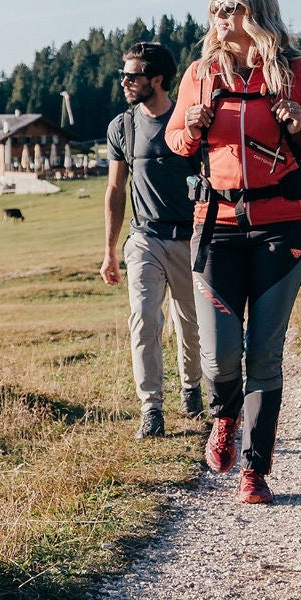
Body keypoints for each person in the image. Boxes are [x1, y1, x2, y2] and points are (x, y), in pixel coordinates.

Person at [166, 0, 301, 505]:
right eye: (214, 9)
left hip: (280, 229)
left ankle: (255, 471)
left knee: (264, 354)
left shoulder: (294, 73)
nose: (219, 18)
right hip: (217, 229)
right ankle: (224, 417)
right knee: (222, 356)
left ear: (258, 13)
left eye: (230, 8)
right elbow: (177, 142)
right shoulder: (199, 76)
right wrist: (193, 129)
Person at [101, 41, 204, 439]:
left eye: (133, 75)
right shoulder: (121, 128)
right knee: (143, 319)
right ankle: (152, 408)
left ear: (157, 79)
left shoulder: (189, 119)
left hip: (190, 238)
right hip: (143, 238)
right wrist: (109, 250)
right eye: (123, 74)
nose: (125, 82)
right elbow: (114, 189)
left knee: (191, 325)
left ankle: (191, 387)